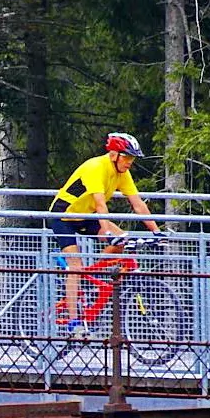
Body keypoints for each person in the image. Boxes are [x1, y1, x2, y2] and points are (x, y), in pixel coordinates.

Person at [48, 132, 162, 323]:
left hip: (86, 216)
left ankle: (93, 277)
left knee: (122, 239)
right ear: (113, 155)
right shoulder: (96, 167)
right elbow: (100, 204)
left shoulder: (122, 173)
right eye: (126, 157)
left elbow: (138, 204)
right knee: (75, 265)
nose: (129, 162)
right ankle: (74, 322)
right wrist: (107, 233)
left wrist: (157, 232)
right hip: (64, 217)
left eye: (132, 158)